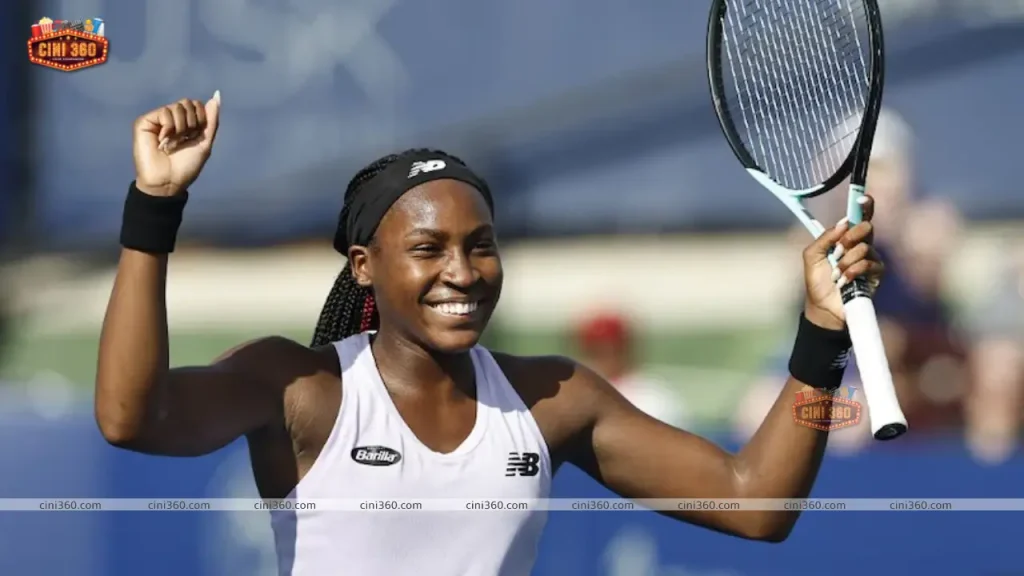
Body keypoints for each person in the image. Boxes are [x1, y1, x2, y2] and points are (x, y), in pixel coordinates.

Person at [95, 94, 885, 576]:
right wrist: (154, 205)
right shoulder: (300, 387)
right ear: (365, 267)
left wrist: (821, 330)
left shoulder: (556, 398)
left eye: (481, 246)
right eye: (429, 249)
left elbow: (757, 506)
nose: (464, 272)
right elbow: (131, 419)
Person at [734, 108, 966, 449]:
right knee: (755, 413)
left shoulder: (929, 227)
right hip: (829, 353)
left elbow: (925, 296)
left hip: (899, 364)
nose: (877, 181)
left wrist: (898, 235)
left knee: (853, 421)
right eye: (865, 168)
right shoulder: (816, 230)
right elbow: (802, 287)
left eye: (883, 168)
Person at [574, 310, 688, 427]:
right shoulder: (574, 398)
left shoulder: (654, 398)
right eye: (595, 350)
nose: (604, 357)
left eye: (611, 349)